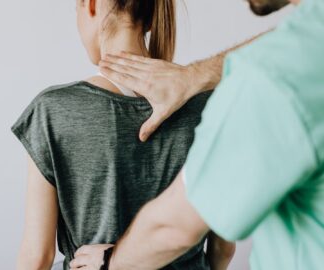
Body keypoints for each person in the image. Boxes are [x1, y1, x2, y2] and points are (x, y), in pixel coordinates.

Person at [71, 0, 324, 269]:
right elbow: (222, 248)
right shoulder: (300, 51)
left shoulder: (271, 79)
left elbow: (177, 228)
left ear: (90, 5)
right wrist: (197, 75)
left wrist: (111, 262)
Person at [11, 0, 240, 270]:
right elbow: (223, 246)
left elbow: (37, 257)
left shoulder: (52, 111)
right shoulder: (208, 105)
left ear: (91, 5)